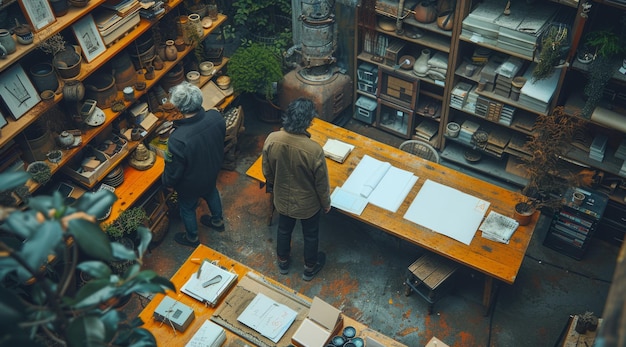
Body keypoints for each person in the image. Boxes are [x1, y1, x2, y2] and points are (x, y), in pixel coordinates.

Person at [262, 98, 331, 281]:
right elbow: (321, 183)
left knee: (284, 229)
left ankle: (283, 261)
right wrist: (326, 203)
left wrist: (275, 185)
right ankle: (309, 267)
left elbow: (267, 170)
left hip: (282, 198)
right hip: (307, 204)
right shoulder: (314, 150)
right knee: (310, 234)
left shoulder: (272, 139)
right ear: (309, 122)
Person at [162, 81, 226, 247]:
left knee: (187, 207)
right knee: (211, 192)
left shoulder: (178, 139)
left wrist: (167, 183)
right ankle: (218, 221)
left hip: (190, 184)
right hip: (212, 171)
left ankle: (192, 238)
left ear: (179, 107)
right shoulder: (215, 116)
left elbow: (174, 170)